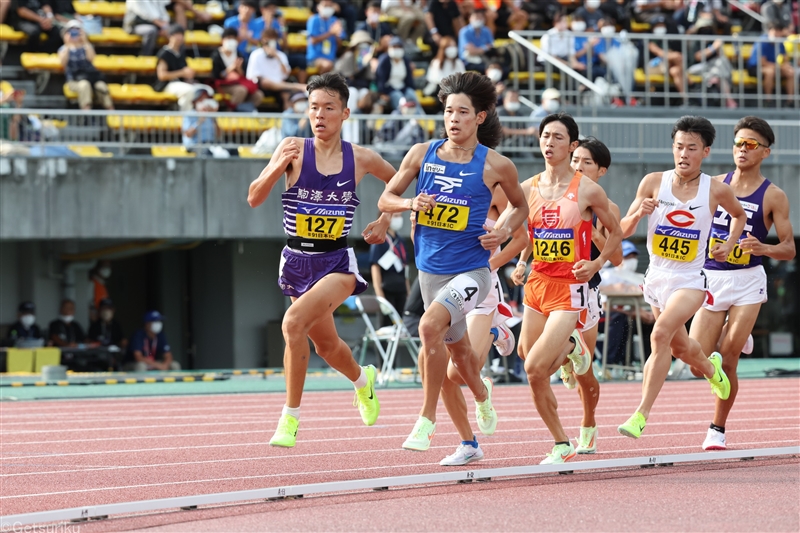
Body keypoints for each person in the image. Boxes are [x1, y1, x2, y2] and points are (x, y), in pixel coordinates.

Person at [377, 71, 529, 452]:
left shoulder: (496, 165)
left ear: (479, 117)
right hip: (430, 271)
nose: (453, 119)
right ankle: (482, 394)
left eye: (462, 112)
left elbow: (520, 207)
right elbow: (385, 199)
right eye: (448, 112)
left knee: (429, 327)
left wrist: (503, 231)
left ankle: (426, 421)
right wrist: (410, 202)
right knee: (459, 354)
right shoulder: (421, 154)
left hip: (472, 271)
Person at [247, 73, 398, 448]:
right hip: (297, 261)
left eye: (328, 108)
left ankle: (290, 419)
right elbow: (253, 197)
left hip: (336, 263)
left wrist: (385, 218)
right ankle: (364, 381)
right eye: (313, 107)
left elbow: (397, 183)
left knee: (293, 323)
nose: (319, 115)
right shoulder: (292, 148)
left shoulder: (360, 157)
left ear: (345, 113)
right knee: (327, 347)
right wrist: (274, 166)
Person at [616, 115, 747, 440]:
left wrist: (728, 244)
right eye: (679, 147)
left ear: (705, 151)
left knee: (659, 335)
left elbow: (739, 216)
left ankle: (640, 415)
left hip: (690, 279)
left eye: (692, 147)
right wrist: (637, 213)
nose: (684, 154)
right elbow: (620, 231)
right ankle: (709, 368)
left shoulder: (716, 189)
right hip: (657, 276)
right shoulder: (652, 182)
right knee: (680, 347)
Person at [511, 112, 622, 464]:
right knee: (527, 358)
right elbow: (529, 228)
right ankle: (573, 347)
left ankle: (571, 436)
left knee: (537, 370)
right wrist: (518, 259)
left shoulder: (589, 190)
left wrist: (595, 262)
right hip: (537, 282)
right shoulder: (528, 187)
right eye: (545, 136)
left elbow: (616, 237)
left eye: (558, 137)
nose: (549, 143)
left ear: (571, 144)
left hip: (574, 286)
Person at [688, 116, 795, 451]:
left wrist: (763, 247)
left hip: (748, 280)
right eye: (738, 143)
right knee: (696, 363)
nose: (742, 150)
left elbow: (789, 248)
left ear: (765, 152)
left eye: (750, 145)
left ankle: (716, 429)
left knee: (728, 359)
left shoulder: (773, 196)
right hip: (713, 278)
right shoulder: (714, 185)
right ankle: (736, 331)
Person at [540, 135, 622, 454]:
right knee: (537, 355)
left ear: (601, 170)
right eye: (576, 160)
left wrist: (597, 235)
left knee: (584, 373)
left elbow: (616, 258)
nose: (578, 166)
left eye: (587, 162)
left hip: (584, 290)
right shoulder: (552, 194)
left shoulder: (604, 205)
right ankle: (569, 348)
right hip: (552, 286)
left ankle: (588, 423)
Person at [154, 24, 215, 111]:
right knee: (189, 90)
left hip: (181, 83)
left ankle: (201, 119)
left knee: (207, 90)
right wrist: (182, 72)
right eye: (176, 34)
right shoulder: (164, 53)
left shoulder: (181, 52)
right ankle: (185, 118)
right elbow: (162, 76)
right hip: (167, 85)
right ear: (170, 36)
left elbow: (184, 73)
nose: (179, 37)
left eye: (181, 35)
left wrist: (189, 77)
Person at [58, 20, 113, 112]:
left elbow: (91, 58)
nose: (74, 34)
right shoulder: (63, 49)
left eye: (77, 31)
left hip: (91, 78)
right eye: (71, 31)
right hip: (74, 80)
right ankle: (86, 112)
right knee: (84, 85)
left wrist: (85, 41)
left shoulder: (87, 46)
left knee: (102, 86)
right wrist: (68, 44)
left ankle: (111, 112)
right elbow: (63, 63)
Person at [246, 28, 307, 111]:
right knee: (266, 82)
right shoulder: (256, 54)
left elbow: (286, 74)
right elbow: (252, 76)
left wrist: (277, 57)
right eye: (268, 39)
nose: (271, 42)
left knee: (287, 97)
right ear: (263, 41)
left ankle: (287, 120)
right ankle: (297, 86)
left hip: (280, 86)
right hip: (262, 87)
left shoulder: (281, 55)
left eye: (273, 39)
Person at [369, 213, 410, 325]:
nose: (399, 219)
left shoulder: (401, 240)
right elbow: (375, 267)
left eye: (400, 215)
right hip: (387, 290)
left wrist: (408, 292)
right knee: (386, 326)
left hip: (401, 290)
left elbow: (404, 268)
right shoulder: (379, 239)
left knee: (402, 326)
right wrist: (380, 296)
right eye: (395, 216)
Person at [211, 28, 263, 112]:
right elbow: (216, 76)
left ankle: (244, 112)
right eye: (228, 38)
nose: (231, 41)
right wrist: (230, 68)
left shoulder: (239, 54)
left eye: (233, 38)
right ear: (222, 40)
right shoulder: (216, 55)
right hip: (223, 84)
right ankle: (231, 114)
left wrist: (238, 69)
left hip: (239, 82)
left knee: (258, 95)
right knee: (241, 90)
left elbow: (244, 75)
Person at [747, 24, 795, 108]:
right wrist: (781, 67)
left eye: (779, 31)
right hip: (755, 68)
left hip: (772, 67)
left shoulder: (780, 43)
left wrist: (787, 67)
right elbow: (763, 62)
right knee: (770, 72)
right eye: (775, 30)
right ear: (769, 31)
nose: (777, 33)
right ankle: (768, 101)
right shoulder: (762, 42)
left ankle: (790, 102)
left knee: (790, 72)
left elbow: (785, 59)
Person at [647, 16, 688, 104]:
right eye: (658, 25)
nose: (661, 28)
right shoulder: (649, 40)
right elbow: (660, 53)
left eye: (662, 25)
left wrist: (673, 55)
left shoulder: (668, 40)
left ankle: (686, 100)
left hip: (667, 67)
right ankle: (689, 80)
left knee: (675, 71)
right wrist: (674, 55)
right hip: (652, 67)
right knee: (675, 56)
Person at [376, 35, 419, 112]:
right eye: (394, 47)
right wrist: (382, 93)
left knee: (412, 94)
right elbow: (380, 79)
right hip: (389, 89)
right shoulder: (384, 60)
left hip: (403, 88)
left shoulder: (405, 60)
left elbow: (409, 79)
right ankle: (403, 119)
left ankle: (421, 118)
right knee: (399, 97)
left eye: (399, 47)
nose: (397, 49)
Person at [306, 0, 346, 75]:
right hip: (315, 57)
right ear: (318, 7)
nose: (327, 8)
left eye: (330, 6)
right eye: (325, 6)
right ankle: (321, 84)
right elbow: (313, 40)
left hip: (331, 58)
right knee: (327, 65)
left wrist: (337, 35)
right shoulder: (314, 20)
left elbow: (339, 46)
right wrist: (331, 33)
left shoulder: (335, 21)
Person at [424, 35, 465, 99]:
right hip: (438, 91)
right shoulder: (436, 62)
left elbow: (463, 79)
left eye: (454, 46)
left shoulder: (458, 63)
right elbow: (435, 80)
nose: (452, 49)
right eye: (449, 46)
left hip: (455, 91)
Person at [182, 88, 220, 153]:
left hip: (210, 144)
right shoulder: (190, 115)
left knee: (232, 150)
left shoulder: (211, 115)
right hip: (195, 145)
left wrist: (213, 118)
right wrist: (200, 120)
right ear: (195, 102)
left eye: (206, 99)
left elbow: (218, 135)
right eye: (201, 99)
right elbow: (188, 134)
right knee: (206, 152)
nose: (204, 102)